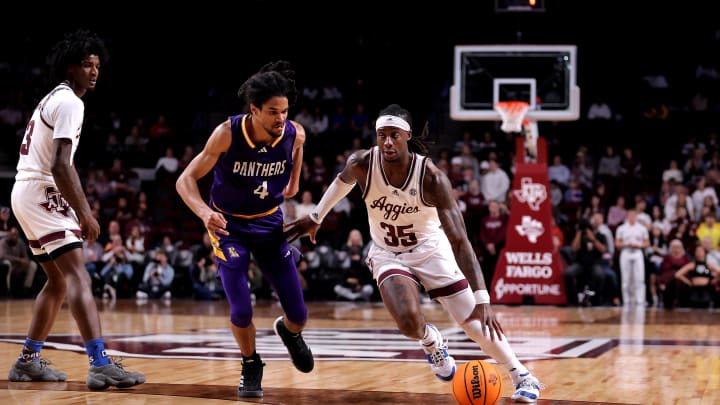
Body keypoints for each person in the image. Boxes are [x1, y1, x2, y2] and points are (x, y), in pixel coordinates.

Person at [284, 103, 543, 403]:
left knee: (475, 323)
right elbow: (342, 181)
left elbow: (460, 239)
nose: (387, 142)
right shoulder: (363, 163)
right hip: (387, 252)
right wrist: (316, 216)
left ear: (407, 136)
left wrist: (483, 297)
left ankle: (522, 375)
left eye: (394, 135)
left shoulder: (431, 177)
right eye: (382, 135)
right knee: (408, 321)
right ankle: (432, 341)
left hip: (430, 249)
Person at [7, 29, 144, 390]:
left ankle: (27, 361)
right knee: (78, 274)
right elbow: (61, 165)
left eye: (97, 65)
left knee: (57, 281)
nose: (94, 71)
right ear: (70, 68)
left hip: (24, 192)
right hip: (40, 189)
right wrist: (84, 212)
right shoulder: (70, 102)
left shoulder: (53, 99)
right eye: (86, 65)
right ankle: (99, 363)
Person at [175, 60, 313, 398]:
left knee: (298, 313)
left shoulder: (295, 134)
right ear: (254, 110)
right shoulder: (227, 134)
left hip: (269, 223)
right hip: (229, 226)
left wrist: (290, 186)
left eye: (284, 110)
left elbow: (293, 187)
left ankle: (290, 333)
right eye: (272, 111)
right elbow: (185, 180)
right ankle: (251, 363)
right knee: (241, 307)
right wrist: (205, 212)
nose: (281, 118)